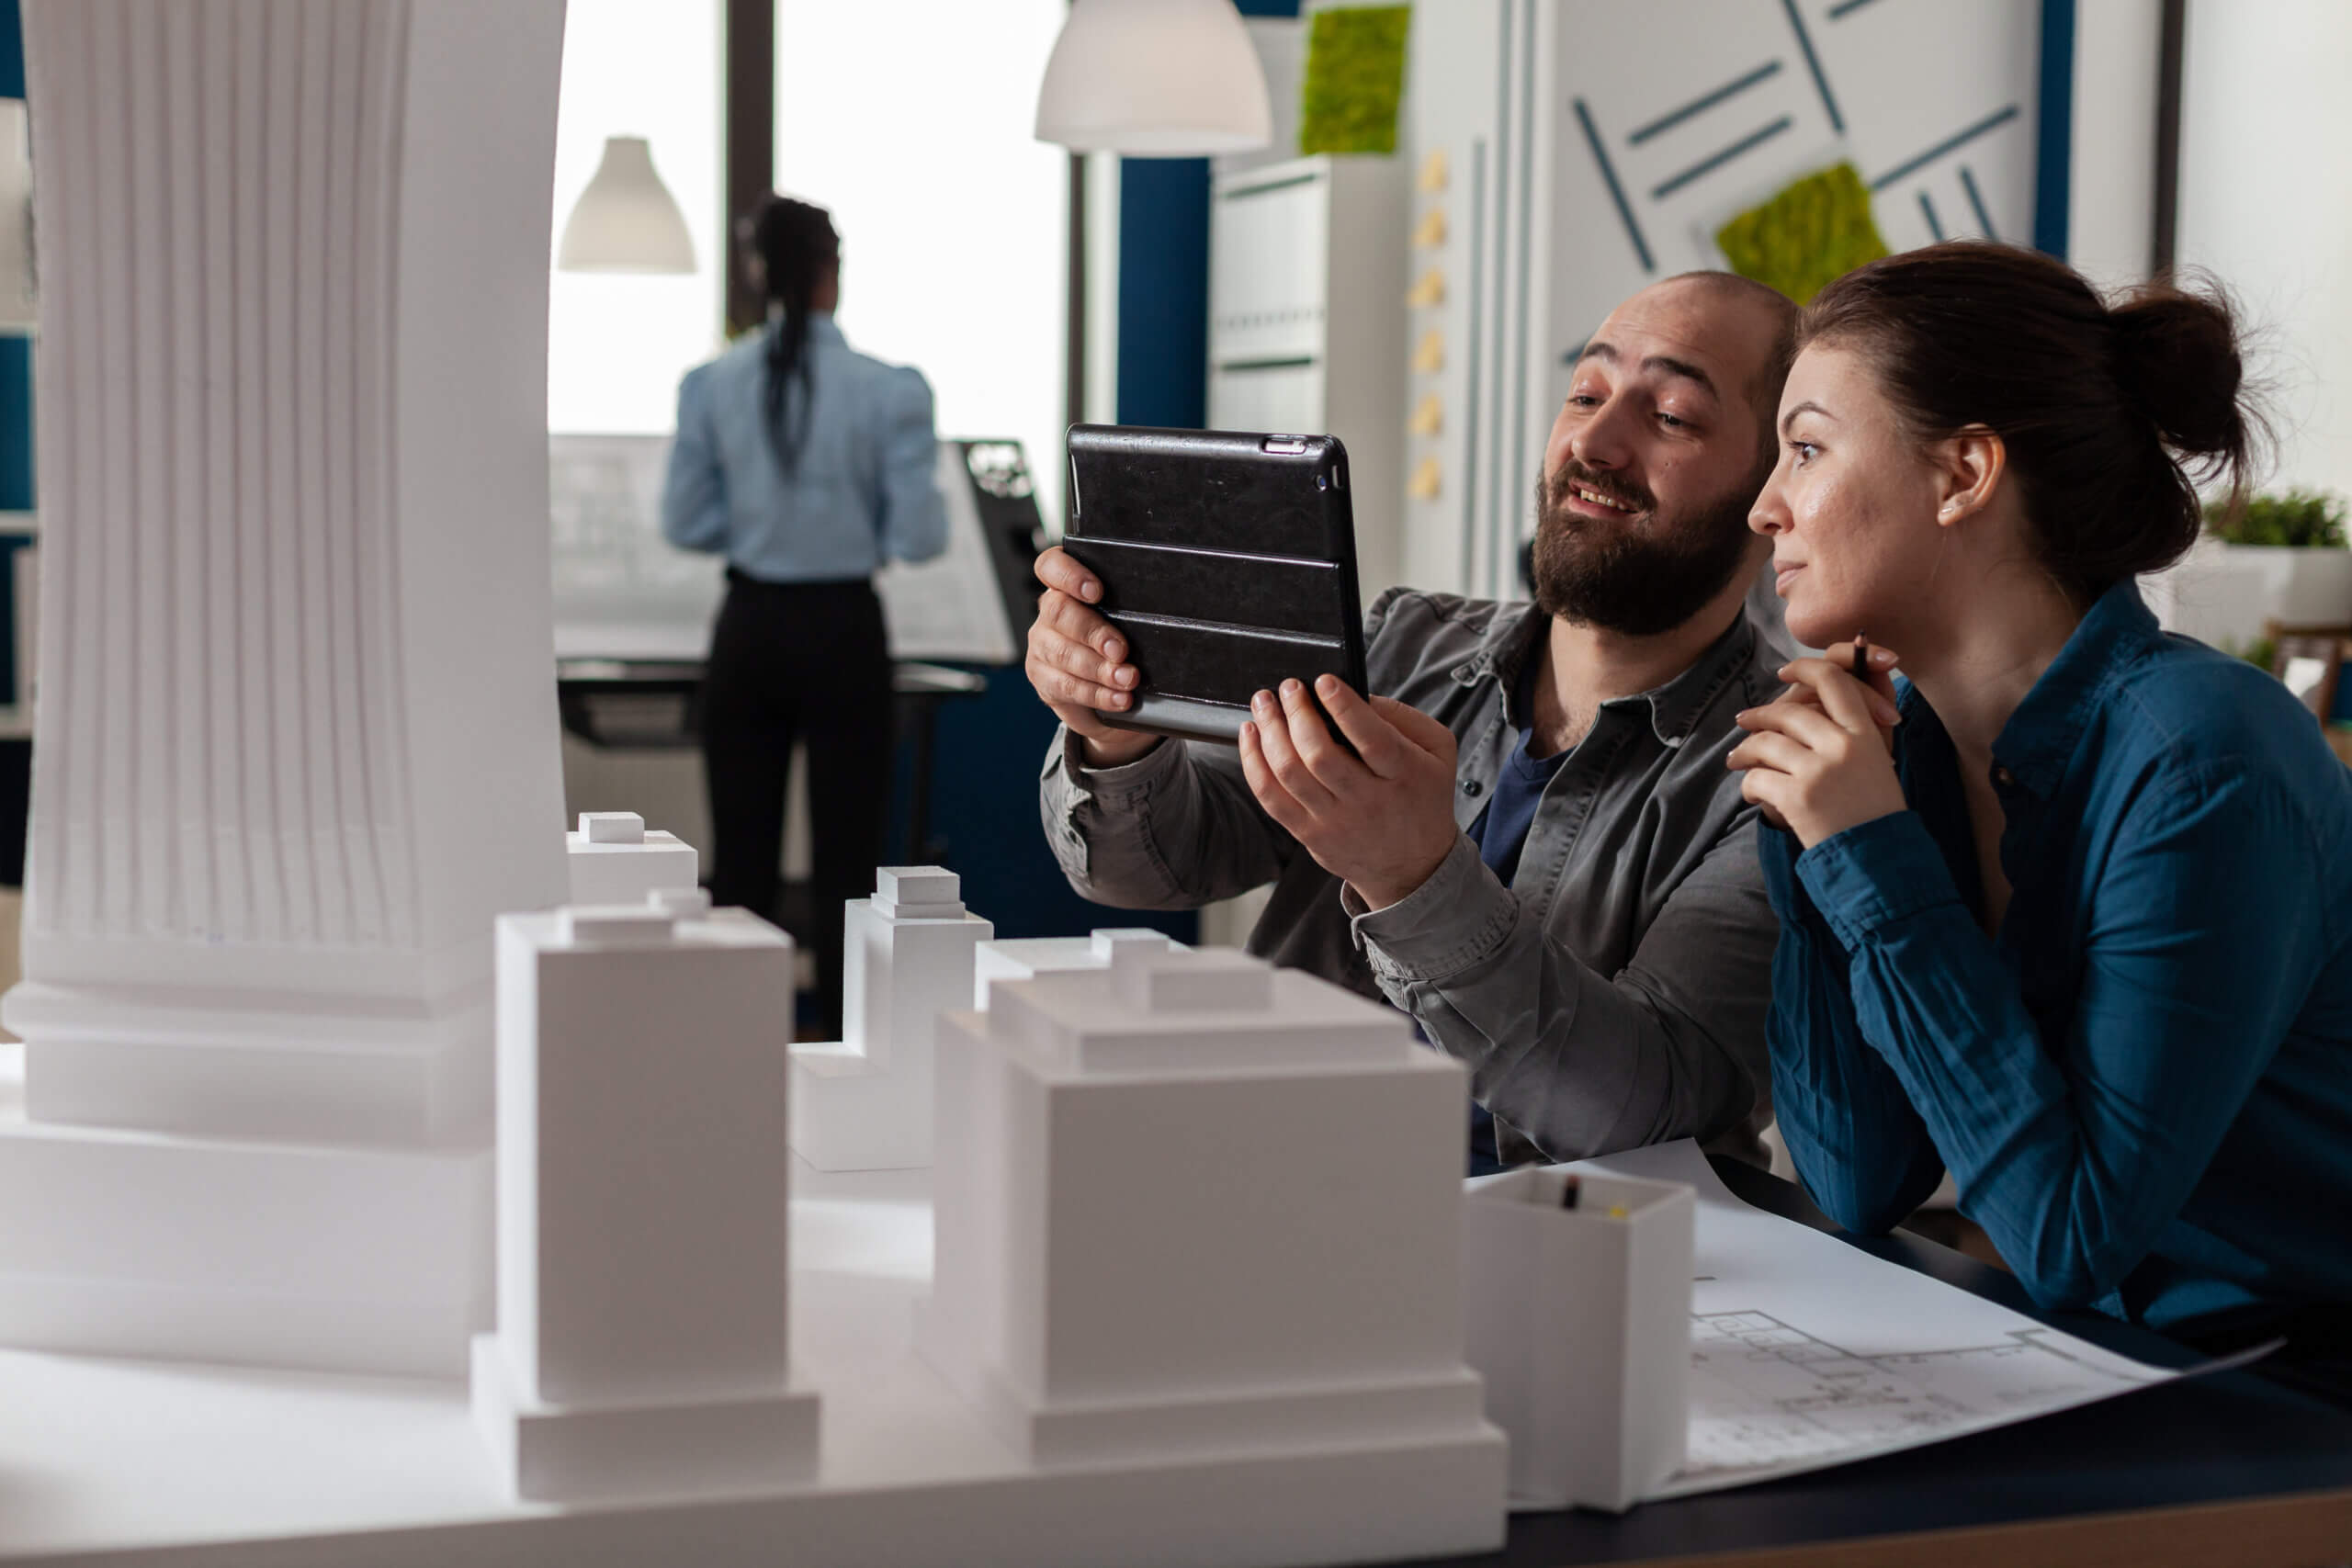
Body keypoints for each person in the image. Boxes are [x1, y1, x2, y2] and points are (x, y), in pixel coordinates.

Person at [1732, 242, 2352, 1386]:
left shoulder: (2207, 757)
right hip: (2092, 1364)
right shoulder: (1898, 745)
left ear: (1963, 472)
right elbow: (1857, 1178)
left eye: (1807, 449)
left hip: (2290, 1397)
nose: (1767, 506)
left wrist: (1868, 861)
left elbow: (2067, 1239)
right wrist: (1815, 844)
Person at [1033, 272, 1800, 1169]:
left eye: (1669, 415)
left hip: (1573, 1260)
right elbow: (1155, 865)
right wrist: (1116, 732)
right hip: (1275, 1187)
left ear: (1773, 485)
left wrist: (1411, 876)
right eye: (1585, 393)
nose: (1594, 440)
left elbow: (1641, 1115)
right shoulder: (1403, 643)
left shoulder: (1780, 772)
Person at [663, 195, 947, 1038]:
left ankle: (738, 1046)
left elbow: (685, 522)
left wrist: (756, 525)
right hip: (843, 631)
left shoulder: (710, 385)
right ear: (832, 274)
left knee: (742, 862)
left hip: (748, 624)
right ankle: (846, 1049)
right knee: (848, 865)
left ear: (760, 277)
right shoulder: (889, 390)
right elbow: (920, 535)